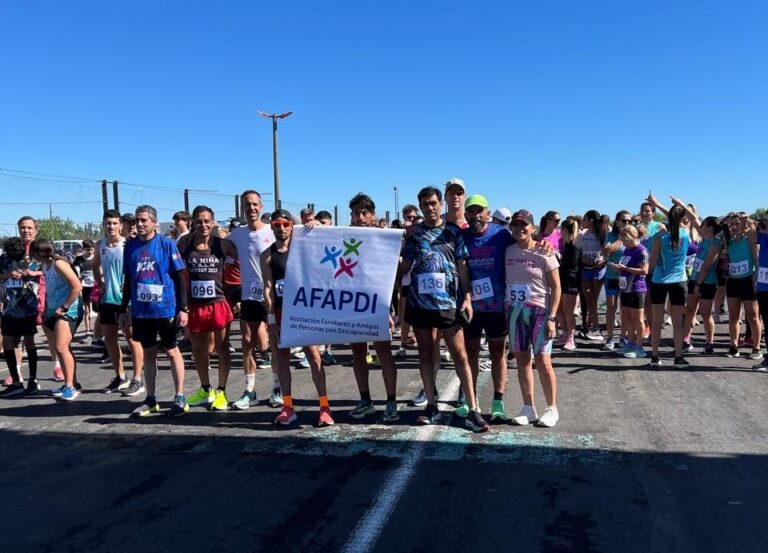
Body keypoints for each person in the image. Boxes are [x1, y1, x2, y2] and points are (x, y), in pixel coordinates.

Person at [400, 186, 488, 432]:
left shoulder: (453, 233)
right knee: (426, 354)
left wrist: (467, 298)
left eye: (433, 203)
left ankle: (473, 409)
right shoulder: (414, 234)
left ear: (441, 204)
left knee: (460, 355)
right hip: (420, 304)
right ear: (420, 207)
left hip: (448, 304)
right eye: (425, 204)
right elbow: (404, 267)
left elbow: (462, 267)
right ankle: (431, 405)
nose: (430, 207)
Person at [261, 209, 333, 427]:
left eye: (285, 224)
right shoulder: (268, 255)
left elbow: (330, 242)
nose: (281, 228)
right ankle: (288, 406)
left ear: (292, 226)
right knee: (282, 360)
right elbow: (268, 288)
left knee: (314, 357)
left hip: (303, 311)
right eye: (276, 224)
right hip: (282, 313)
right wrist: (271, 319)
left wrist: (319, 227)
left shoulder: (304, 247)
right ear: (272, 226)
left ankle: (324, 406)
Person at [118, 205, 189, 416]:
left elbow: (179, 277)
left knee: (171, 351)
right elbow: (129, 279)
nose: (139, 224)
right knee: (148, 355)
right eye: (137, 221)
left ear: (154, 222)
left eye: (144, 221)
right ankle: (151, 399)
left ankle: (179, 397)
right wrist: (123, 309)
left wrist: (183, 308)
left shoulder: (166, 244)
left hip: (166, 309)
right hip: (142, 312)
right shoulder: (130, 247)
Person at [344, 194, 399, 422]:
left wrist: (389, 309)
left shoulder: (384, 238)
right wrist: (313, 226)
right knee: (358, 353)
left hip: (378, 304)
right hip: (353, 304)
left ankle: (391, 401)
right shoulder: (342, 236)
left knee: (383, 352)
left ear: (373, 215)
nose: (360, 217)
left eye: (364, 213)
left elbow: (391, 276)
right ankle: (365, 400)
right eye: (356, 213)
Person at [505, 210, 561, 428]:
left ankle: (551, 408)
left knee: (543, 361)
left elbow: (556, 287)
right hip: (514, 313)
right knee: (522, 361)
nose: (520, 229)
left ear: (533, 228)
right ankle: (528, 408)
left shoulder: (545, 252)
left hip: (539, 312)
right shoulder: (508, 251)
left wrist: (552, 317)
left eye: (524, 225)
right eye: (516, 225)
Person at [178, 205, 237, 411]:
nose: (203, 225)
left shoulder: (224, 245)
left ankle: (221, 391)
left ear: (213, 223)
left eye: (207, 221)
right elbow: (178, 274)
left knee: (222, 348)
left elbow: (237, 267)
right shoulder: (184, 244)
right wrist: (182, 305)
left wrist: (236, 295)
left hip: (218, 303)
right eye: (199, 221)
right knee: (197, 349)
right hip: (195, 305)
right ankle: (205, 389)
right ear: (193, 222)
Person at [461, 194, 514, 421]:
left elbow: (524, 245)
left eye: (479, 211)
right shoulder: (461, 236)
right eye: (471, 211)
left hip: (496, 307)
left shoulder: (501, 234)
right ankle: (469, 399)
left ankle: (498, 400)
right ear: (466, 214)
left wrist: (542, 244)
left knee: (497, 354)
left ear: (487, 212)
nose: (475, 216)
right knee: (470, 353)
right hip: (471, 307)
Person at [227, 190, 281, 410]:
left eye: (255, 204)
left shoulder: (274, 230)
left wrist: (314, 225)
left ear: (261, 206)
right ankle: (250, 391)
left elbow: (302, 237)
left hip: (272, 296)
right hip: (249, 296)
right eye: (247, 205)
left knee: (276, 344)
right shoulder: (236, 235)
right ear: (242, 208)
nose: (251, 208)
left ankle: (277, 388)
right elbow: (214, 245)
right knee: (247, 342)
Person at [93, 209, 145, 395]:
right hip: (108, 299)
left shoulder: (128, 245)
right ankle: (121, 376)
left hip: (127, 301)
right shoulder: (100, 245)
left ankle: (138, 379)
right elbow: (94, 265)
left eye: (115, 223)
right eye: (108, 223)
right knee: (110, 339)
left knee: (132, 340)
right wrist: (100, 284)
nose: (111, 226)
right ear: (103, 225)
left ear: (120, 225)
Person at [32, 239, 83, 400]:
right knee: (63, 347)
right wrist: (47, 310)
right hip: (54, 311)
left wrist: (65, 307)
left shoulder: (59, 264)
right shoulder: (45, 266)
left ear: (36, 253)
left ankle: (70, 387)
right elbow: (49, 290)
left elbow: (77, 286)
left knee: (61, 347)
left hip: (69, 310)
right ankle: (72, 383)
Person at [648, 205, 690, 368]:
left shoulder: (660, 237)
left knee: (657, 321)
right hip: (679, 281)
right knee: (678, 323)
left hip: (659, 280)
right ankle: (678, 357)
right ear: (682, 219)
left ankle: (655, 357)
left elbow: (651, 263)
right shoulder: (686, 234)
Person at [0, 236, 41, 397]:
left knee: (29, 342)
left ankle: (33, 379)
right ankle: (16, 381)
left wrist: (29, 272)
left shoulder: (31, 259)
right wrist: (7, 275)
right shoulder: (3, 260)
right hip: (9, 309)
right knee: (8, 342)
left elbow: (44, 272)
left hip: (27, 308)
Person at [722, 213, 762, 361]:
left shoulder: (749, 239)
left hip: (748, 280)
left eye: (736, 224)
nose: (733, 227)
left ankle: (756, 347)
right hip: (733, 281)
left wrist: (746, 221)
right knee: (733, 316)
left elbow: (752, 231)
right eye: (731, 224)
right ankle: (733, 346)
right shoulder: (729, 241)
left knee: (752, 315)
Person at [608, 225, 648, 358]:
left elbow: (644, 271)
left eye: (625, 241)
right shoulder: (627, 250)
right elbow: (624, 267)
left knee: (638, 318)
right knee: (627, 317)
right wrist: (618, 268)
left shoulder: (641, 251)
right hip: (625, 287)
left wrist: (626, 268)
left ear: (632, 238)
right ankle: (630, 343)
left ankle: (639, 346)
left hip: (637, 288)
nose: (624, 244)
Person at [602, 211, 633, 350]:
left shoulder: (633, 236)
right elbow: (607, 250)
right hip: (612, 276)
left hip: (627, 277)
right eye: (623, 221)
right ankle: (609, 338)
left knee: (625, 309)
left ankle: (623, 337)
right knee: (611, 308)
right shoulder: (611, 235)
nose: (627, 224)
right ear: (617, 221)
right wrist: (621, 238)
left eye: (629, 221)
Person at [580, 209, 607, 340]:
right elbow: (578, 251)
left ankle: (594, 327)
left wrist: (604, 261)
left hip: (598, 270)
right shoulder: (581, 234)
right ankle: (591, 326)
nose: (583, 222)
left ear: (590, 220)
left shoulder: (603, 233)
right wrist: (581, 259)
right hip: (585, 269)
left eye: (584, 219)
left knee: (593, 301)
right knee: (589, 300)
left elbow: (608, 251)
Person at [557, 217, 581, 351]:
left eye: (561, 229)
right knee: (559, 309)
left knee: (568, 310)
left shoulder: (575, 245)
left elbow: (573, 267)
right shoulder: (567, 244)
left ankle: (571, 338)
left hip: (571, 282)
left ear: (565, 230)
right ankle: (565, 334)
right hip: (562, 279)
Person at [78, 239, 97, 340]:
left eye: (91, 250)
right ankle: (88, 331)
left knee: (99, 310)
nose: (90, 252)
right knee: (86, 310)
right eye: (87, 250)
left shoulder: (96, 258)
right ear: (83, 249)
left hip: (95, 287)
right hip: (85, 287)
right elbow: (75, 272)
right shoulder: (79, 260)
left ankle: (99, 331)